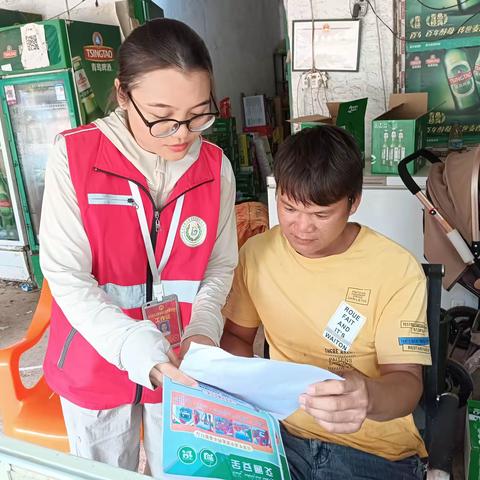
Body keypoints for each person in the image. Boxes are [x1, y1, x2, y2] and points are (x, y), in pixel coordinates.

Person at [39, 18, 237, 476]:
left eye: (197, 115)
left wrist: (203, 329)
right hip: (94, 359)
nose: (181, 134)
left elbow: (220, 266)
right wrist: (134, 347)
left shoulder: (214, 166)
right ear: (124, 95)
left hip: (181, 358)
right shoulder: (75, 156)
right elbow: (67, 276)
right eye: (162, 116)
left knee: (183, 468)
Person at [221, 125, 431, 480]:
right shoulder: (256, 254)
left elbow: (407, 383)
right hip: (283, 438)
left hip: (373, 451)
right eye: (289, 208)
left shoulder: (395, 268)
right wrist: (247, 394)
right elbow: (237, 339)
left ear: (353, 202)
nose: (301, 227)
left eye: (321, 215)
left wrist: (367, 398)